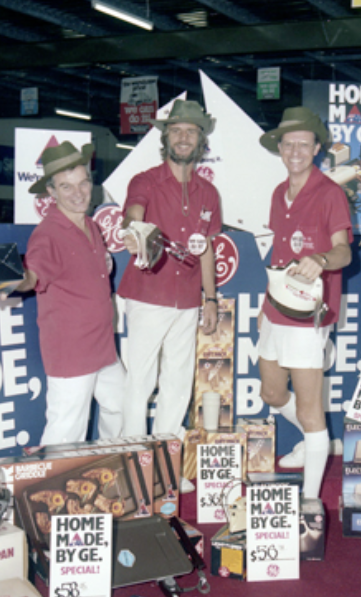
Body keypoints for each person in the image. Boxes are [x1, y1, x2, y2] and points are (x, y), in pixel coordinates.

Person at [256, 106, 352, 504]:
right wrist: (265, 307)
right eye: (288, 143)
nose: (295, 150)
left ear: (316, 148)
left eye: (304, 143)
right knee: (272, 394)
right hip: (276, 308)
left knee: (312, 411)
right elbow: (280, 253)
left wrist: (322, 259)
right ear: (280, 148)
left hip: (309, 315)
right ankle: (320, 443)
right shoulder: (279, 192)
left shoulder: (330, 193)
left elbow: (345, 252)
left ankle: (311, 502)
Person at [5, 142, 125, 446]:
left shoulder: (91, 226)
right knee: (66, 430)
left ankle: (110, 465)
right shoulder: (47, 235)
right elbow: (31, 278)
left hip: (102, 344)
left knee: (122, 405)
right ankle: (47, 491)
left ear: (91, 183)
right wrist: (8, 276)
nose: (77, 192)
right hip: (71, 351)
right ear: (52, 192)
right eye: (65, 186)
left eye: (83, 183)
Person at [118, 99, 222, 445]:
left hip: (189, 300)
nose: (182, 138)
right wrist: (135, 231)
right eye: (176, 131)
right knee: (141, 382)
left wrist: (210, 299)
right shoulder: (145, 181)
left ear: (200, 139)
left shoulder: (209, 192)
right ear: (166, 138)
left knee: (178, 382)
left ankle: (165, 459)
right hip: (148, 294)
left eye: (190, 132)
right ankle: (136, 458)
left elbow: (206, 247)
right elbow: (133, 214)